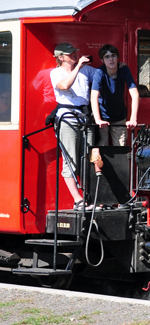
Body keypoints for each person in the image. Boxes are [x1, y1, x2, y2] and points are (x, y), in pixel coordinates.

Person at [49, 42, 95, 209]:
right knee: (71, 160)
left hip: (85, 118)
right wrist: (78, 67)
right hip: (67, 119)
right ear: (60, 57)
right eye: (70, 54)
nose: (75, 55)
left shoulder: (87, 70)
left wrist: (118, 65)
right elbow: (64, 85)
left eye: (75, 52)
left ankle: (90, 198)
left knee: (89, 159)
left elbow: (104, 76)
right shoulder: (56, 73)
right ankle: (78, 200)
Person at [90, 44, 139, 153]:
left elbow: (135, 94)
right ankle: (101, 170)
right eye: (107, 57)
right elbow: (94, 96)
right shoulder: (100, 72)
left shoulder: (124, 69)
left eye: (113, 55)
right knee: (102, 146)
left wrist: (133, 119)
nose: (111, 59)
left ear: (118, 57)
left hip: (119, 115)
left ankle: (120, 170)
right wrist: (98, 119)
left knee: (120, 148)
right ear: (102, 60)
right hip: (103, 116)